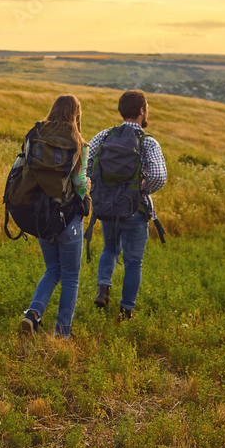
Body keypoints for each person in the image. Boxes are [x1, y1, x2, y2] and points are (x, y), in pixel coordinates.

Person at [88, 90, 166, 320]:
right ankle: (126, 311)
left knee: (110, 249)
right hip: (135, 211)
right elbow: (159, 176)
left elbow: (85, 164)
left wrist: (98, 189)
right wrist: (140, 189)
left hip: (107, 208)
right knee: (133, 263)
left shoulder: (103, 136)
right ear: (141, 111)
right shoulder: (147, 142)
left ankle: (103, 288)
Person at [20, 95, 90, 338]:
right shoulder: (79, 142)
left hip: (41, 215)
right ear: (76, 114)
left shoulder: (36, 135)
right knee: (70, 277)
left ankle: (33, 314)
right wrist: (86, 186)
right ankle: (62, 333)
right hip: (68, 220)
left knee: (52, 270)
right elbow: (79, 185)